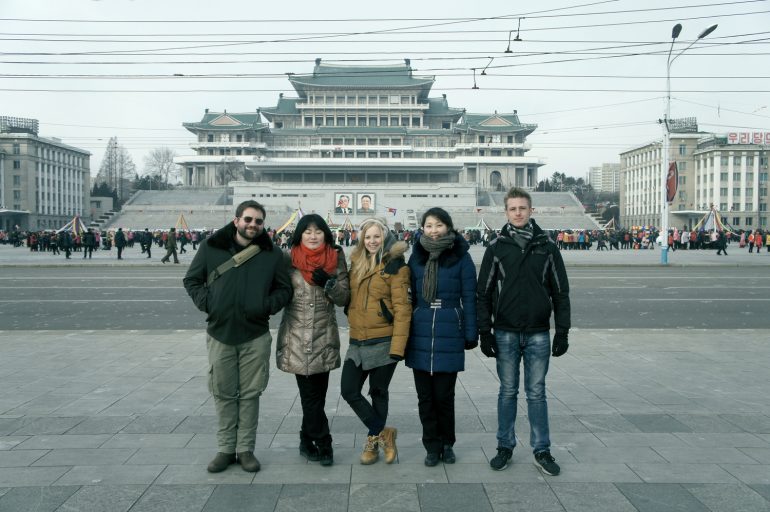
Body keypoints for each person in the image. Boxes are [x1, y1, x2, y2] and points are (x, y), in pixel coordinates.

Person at [183, 200, 292, 474]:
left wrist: (265, 307)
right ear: (236, 221)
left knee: (251, 394)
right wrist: (209, 304)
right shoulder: (211, 247)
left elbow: (284, 289)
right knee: (223, 393)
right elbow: (192, 280)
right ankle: (225, 449)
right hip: (220, 333)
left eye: (258, 221)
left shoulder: (272, 254)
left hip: (255, 334)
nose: (253, 225)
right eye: (248, 219)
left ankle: (245, 450)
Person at [477, 187, 571, 477]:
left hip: (538, 333)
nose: (518, 213)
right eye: (513, 208)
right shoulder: (496, 248)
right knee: (507, 391)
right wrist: (484, 331)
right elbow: (483, 293)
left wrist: (562, 331)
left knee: (536, 392)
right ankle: (504, 446)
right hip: (505, 331)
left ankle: (541, 449)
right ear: (506, 212)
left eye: (522, 208)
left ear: (531, 210)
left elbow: (560, 292)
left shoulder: (547, 247)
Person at [405, 207, 477, 467]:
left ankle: (447, 444)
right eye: (429, 225)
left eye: (438, 225)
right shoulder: (416, 257)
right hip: (421, 330)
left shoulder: (461, 257)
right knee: (425, 398)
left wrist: (471, 332)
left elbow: (470, 297)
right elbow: (408, 296)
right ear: (422, 228)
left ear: (448, 227)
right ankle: (431, 446)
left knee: (444, 397)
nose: (433, 230)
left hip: (449, 329)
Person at [276, 214, 350, 467]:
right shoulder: (287, 259)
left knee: (317, 396)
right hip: (296, 336)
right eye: (307, 231)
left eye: (318, 231)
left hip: (323, 336)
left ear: (326, 234)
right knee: (310, 396)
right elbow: (277, 291)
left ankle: (305, 440)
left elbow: (343, 298)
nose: (313, 236)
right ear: (299, 235)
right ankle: (324, 442)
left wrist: (329, 283)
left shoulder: (336, 257)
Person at [341, 218, 410, 465]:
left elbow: (403, 309)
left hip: (384, 340)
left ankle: (372, 444)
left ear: (385, 238)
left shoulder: (396, 266)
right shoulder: (356, 263)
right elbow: (347, 298)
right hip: (357, 341)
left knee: (378, 392)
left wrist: (398, 348)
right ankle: (384, 433)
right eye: (368, 237)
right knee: (349, 390)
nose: (372, 241)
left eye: (377, 236)